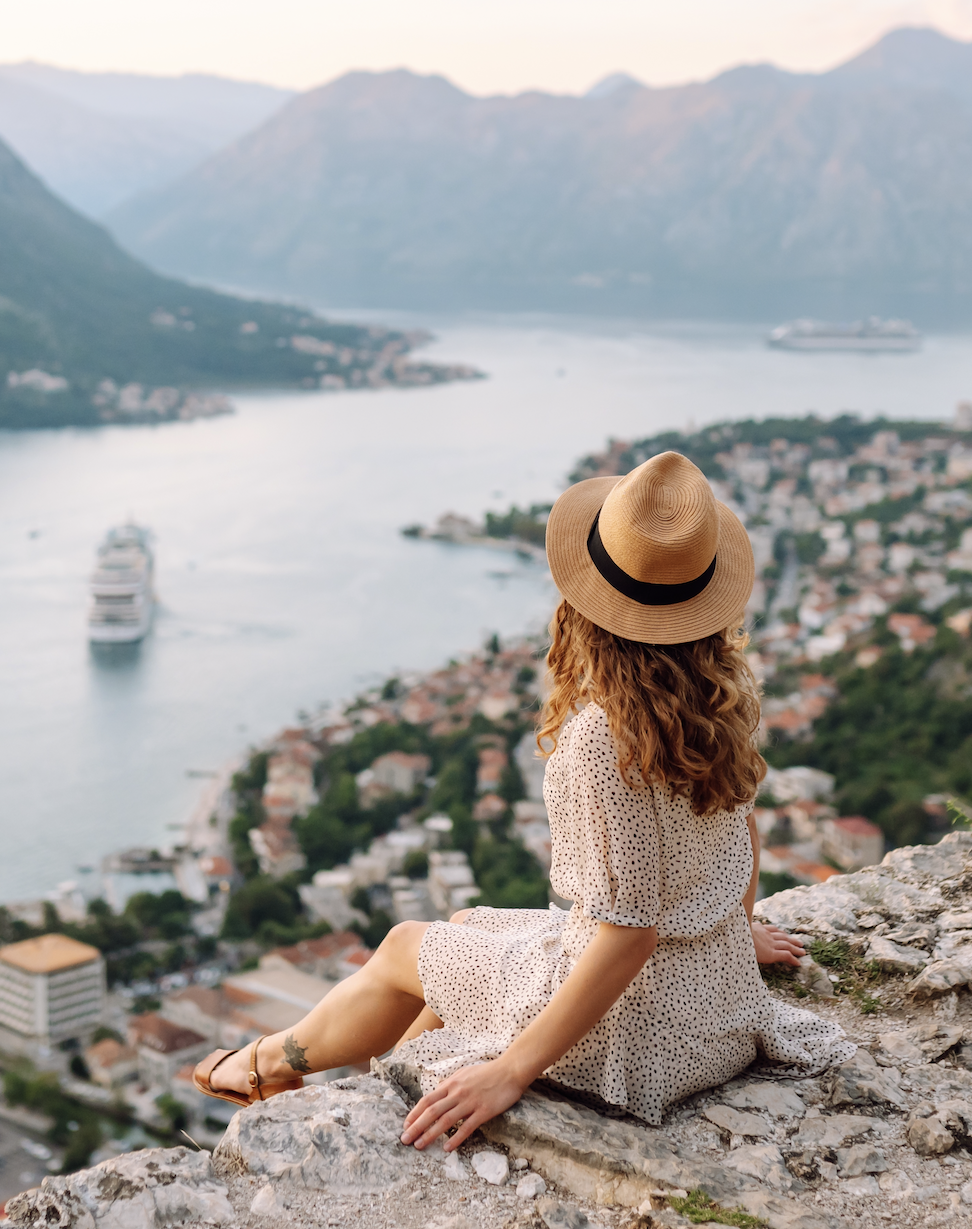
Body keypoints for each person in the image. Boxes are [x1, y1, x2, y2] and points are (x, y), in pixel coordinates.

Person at [191, 451, 854, 1147]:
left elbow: (629, 937)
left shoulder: (606, 735)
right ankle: (384, 1082)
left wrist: (511, 1071)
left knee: (400, 947)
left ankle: (263, 1067)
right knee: (468, 924)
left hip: (644, 1044)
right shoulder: (725, 693)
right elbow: (738, 835)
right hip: (719, 1006)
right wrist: (726, 930)